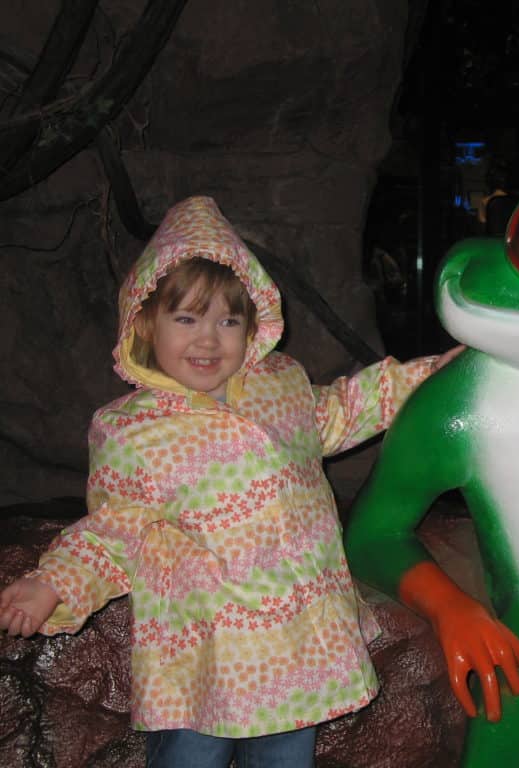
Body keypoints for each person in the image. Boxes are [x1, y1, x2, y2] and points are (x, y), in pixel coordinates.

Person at [0, 195, 459, 767]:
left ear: (253, 323)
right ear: (145, 320)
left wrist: (434, 375)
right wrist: (55, 585)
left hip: (294, 647)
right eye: (186, 317)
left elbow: (346, 407)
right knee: (190, 758)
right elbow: (116, 528)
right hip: (204, 652)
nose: (208, 339)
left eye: (228, 319)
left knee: (286, 759)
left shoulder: (281, 386)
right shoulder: (131, 429)